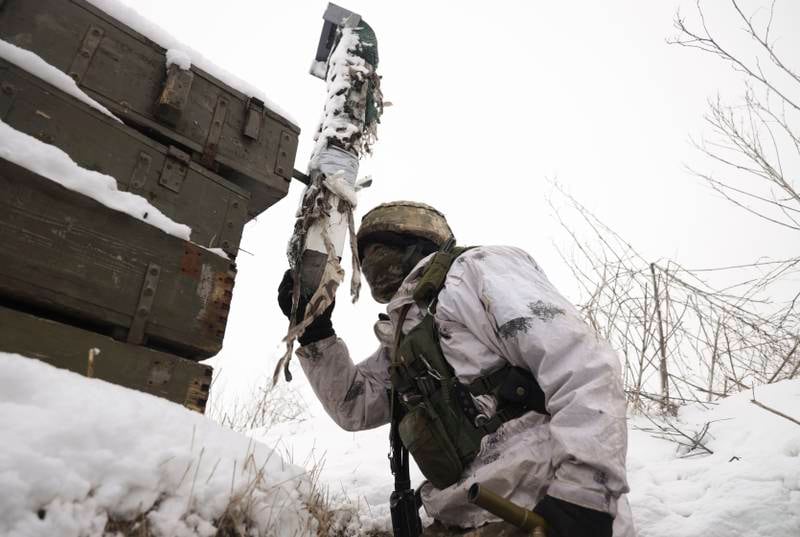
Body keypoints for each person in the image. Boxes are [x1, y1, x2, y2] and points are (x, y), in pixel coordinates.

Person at [278, 201, 635, 537]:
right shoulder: (405, 336)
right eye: (366, 253)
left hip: (541, 507)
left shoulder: (474, 270)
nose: (372, 261)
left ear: (416, 243)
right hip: (464, 517)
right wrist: (316, 333)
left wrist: (584, 497)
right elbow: (354, 405)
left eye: (381, 245)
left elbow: (581, 365)